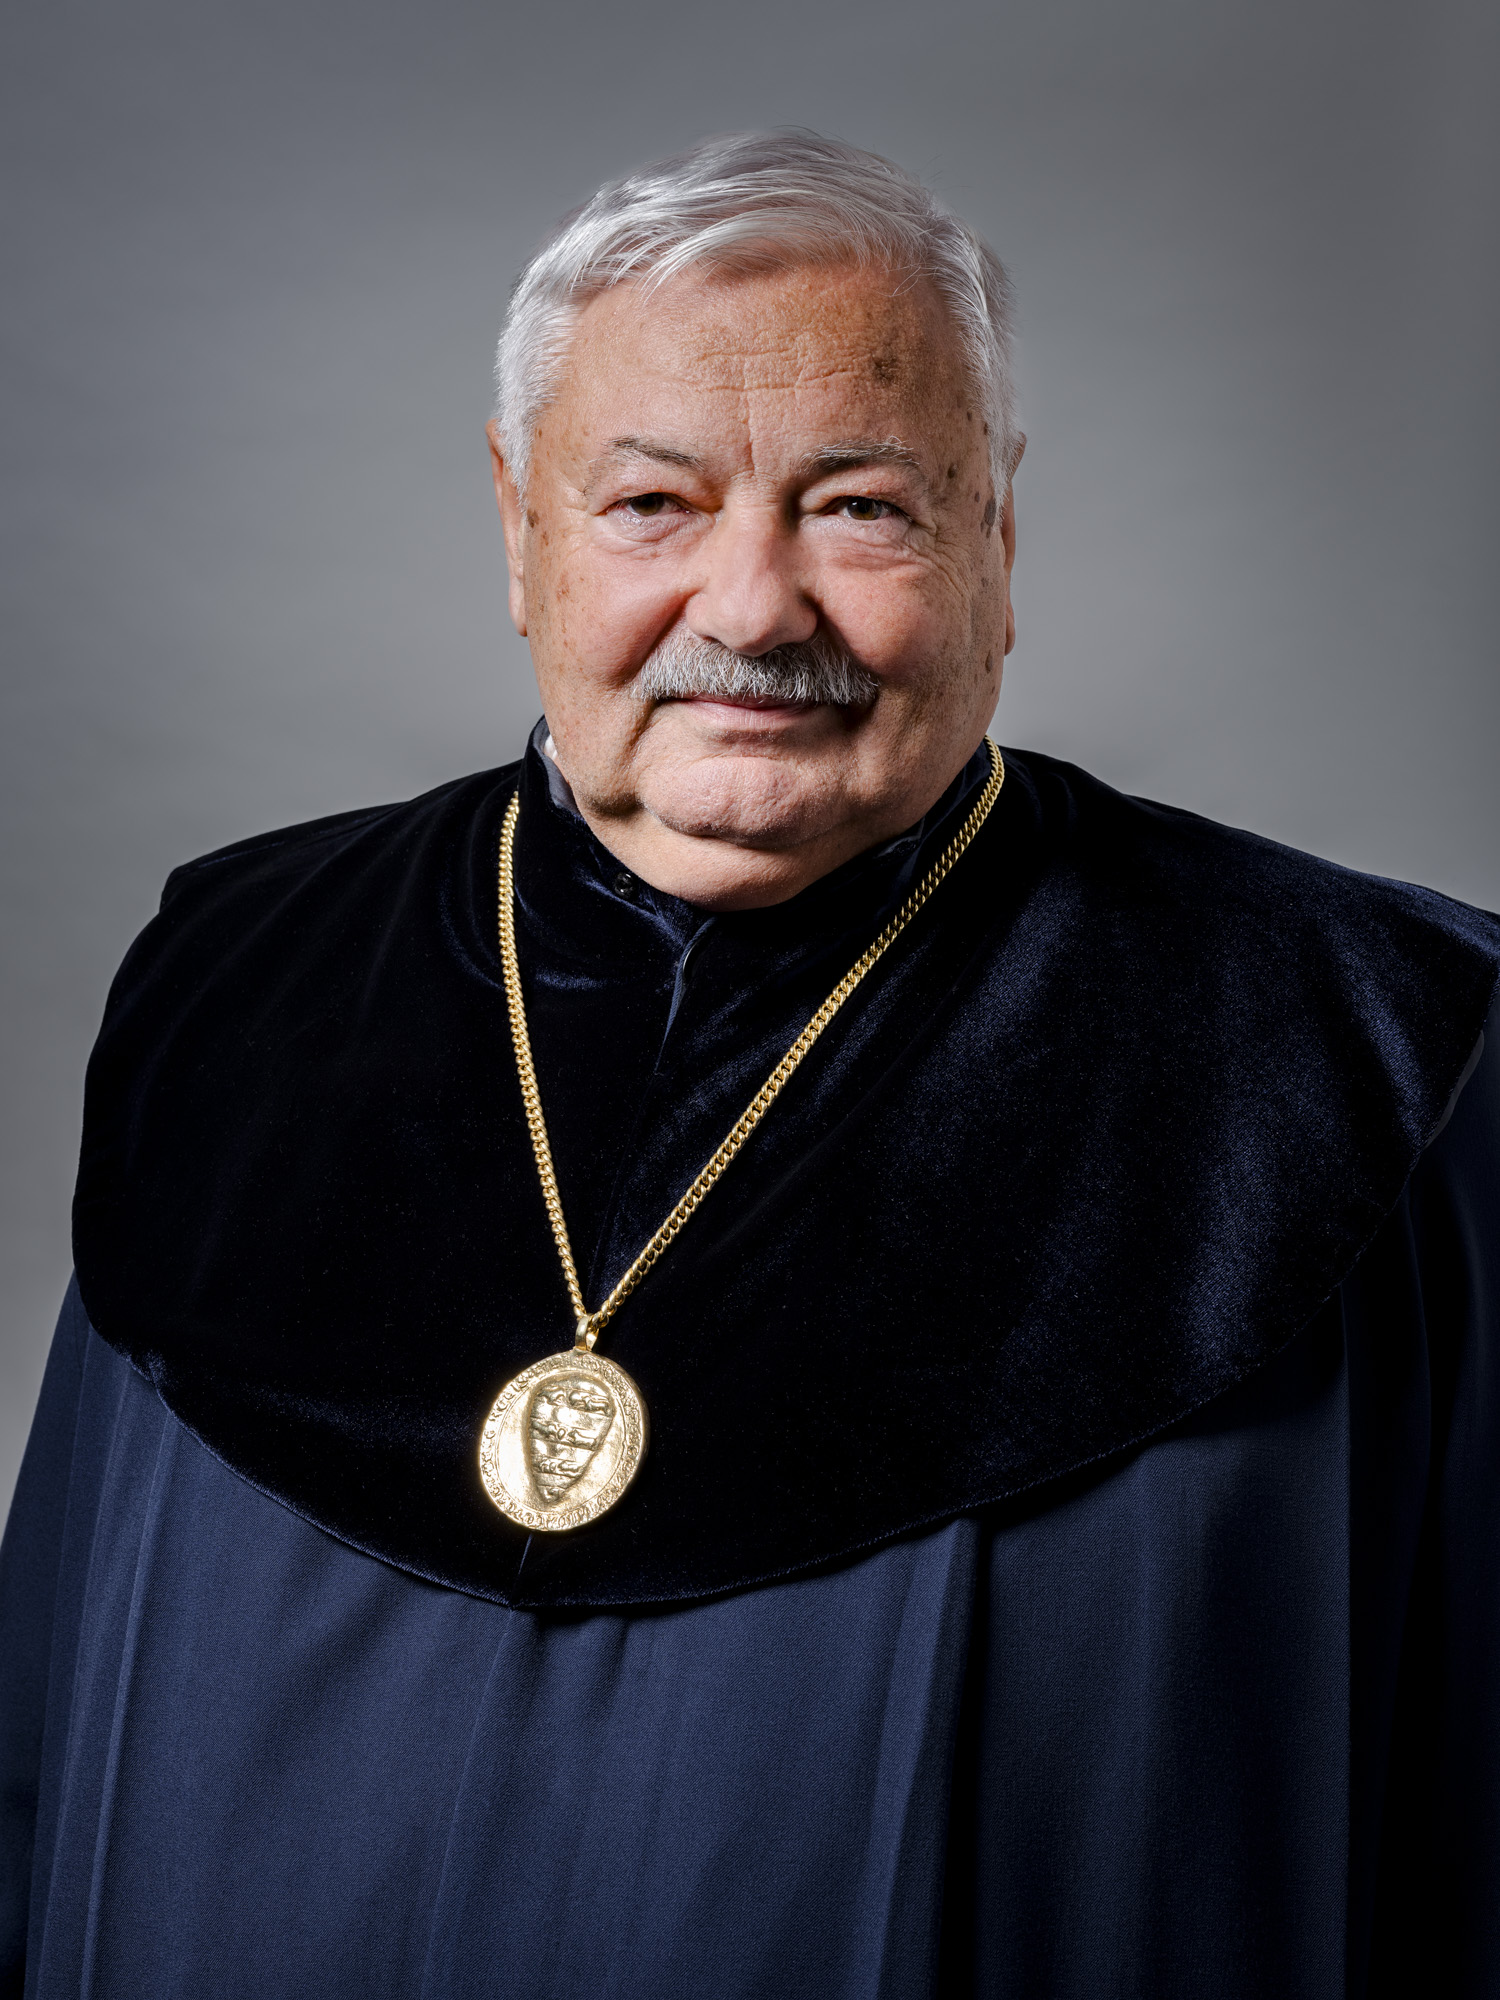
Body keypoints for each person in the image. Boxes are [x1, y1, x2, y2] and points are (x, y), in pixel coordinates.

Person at [1, 129, 1496, 2000]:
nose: (751, 607)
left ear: (998, 539)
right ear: (520, 528)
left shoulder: (1373, 1047)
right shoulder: (236, 978)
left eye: (859, 507)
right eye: (652, 502)